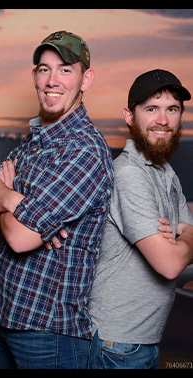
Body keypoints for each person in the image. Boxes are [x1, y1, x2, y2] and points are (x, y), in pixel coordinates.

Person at [0, 30, 114, 369]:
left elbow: (19, 237)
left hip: (49, 335)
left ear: (86, 79)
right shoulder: (36, 141)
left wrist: (4, 202)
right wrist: (16, 201)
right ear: (34, 76)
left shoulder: (84, 151)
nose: (52, 80)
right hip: (6, 319)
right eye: (44, 69)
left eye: (66, 69)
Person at [88, 69, 193, 369]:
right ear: (130, 116)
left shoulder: (163, 171)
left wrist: (181, 239)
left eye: (171, 109)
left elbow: (188, 237)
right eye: (151, 109)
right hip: (118, 344)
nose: (163, 120)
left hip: (139, 340)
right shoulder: (130, 174)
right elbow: (170, 263)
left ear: (181, 117)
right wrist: (182, 235)